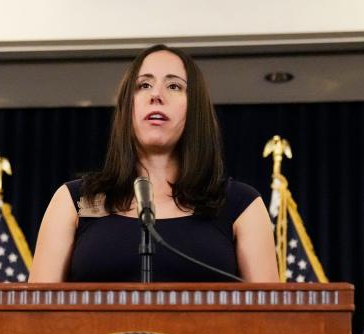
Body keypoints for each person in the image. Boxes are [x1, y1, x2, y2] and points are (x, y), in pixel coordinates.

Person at [29, 44, 279, 283]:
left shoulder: (241, 205)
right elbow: (34, 317)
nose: (156, 95)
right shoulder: (74, 201)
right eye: (144, 85)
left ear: (195, 108)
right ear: (128, 106)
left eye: (174, 86)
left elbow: (272, 321)